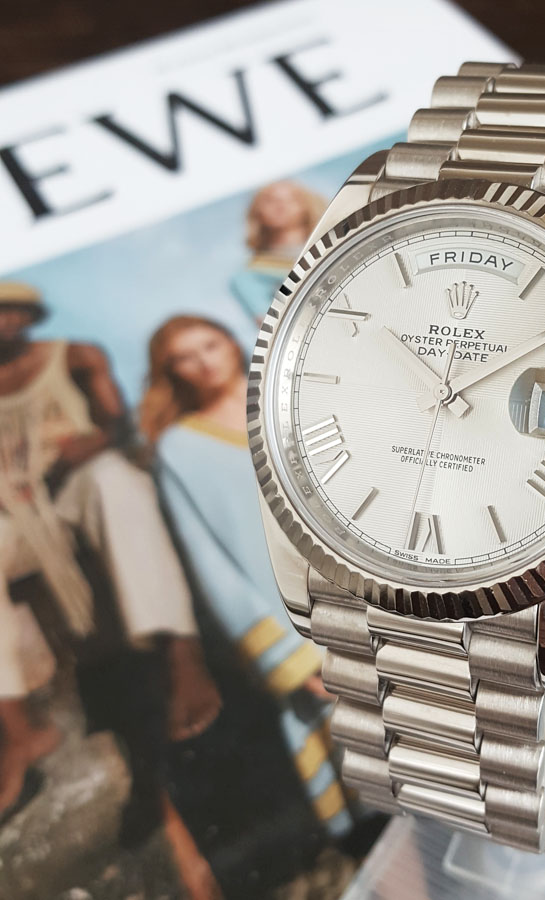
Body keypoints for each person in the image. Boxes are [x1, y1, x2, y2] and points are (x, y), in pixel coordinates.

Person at [0, 281, 222, 820]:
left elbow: (116, 425)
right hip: (17, 514)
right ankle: (20, 728)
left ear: (29, 315)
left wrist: (90, 443)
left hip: (73, 489)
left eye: (9, 311)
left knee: (114, 479)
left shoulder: (74, 356)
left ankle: (180, 652)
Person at [140, 314, 353, 839]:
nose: (203, 361)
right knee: (376, 785)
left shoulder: (298, 393)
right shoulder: (178, 450)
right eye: (184, 357)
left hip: (374, 592)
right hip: (304, 628)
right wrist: (290, 658)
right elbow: (210, 565)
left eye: (210, 344)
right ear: (170, 373)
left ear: (231, 342)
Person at [230, 180, 326, 324]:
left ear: (307, 206)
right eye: (270, 200)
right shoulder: (248, 275)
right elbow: (271, 326)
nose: (281, 205)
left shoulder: (334, 242)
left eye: (292, 199)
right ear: (257, 212)